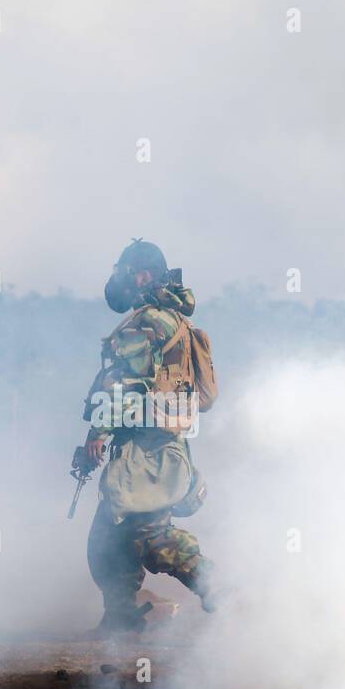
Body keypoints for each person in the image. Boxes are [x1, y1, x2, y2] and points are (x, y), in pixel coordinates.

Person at [76, 239, 220, 635]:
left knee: (150, 536)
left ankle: (220, 587)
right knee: (108, 537)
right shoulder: (174, 320)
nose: (119, 278)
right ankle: (123, 615)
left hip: (147, 451)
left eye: (125, 269)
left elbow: (128, 383)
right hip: (161, 447)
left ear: (141, 274)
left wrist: (99, 433)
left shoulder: (148, 321)